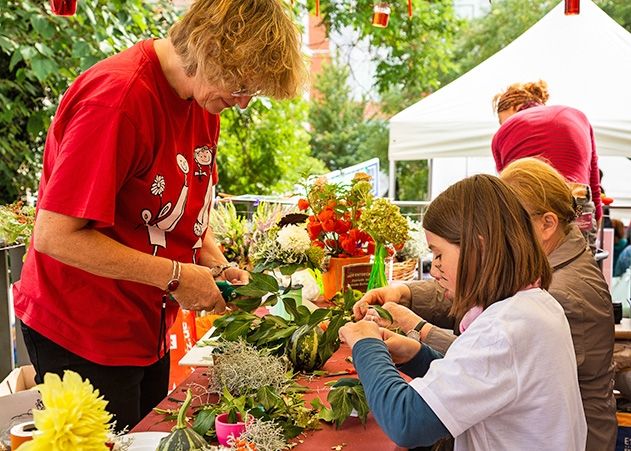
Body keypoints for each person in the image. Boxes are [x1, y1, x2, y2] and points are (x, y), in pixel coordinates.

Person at [13, 0, 306, 430]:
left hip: (142, 325)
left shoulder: (202, 98)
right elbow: (55, 235)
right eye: (242, 87)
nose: (242, 103)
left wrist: (218, 264)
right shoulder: (118, 100)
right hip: (82, 329)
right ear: (211, 50)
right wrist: (175, 276)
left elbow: (178, 209)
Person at [356, 158, 616, 451]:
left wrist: (366, 344)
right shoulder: (536, 302)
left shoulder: (506, 327)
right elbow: (489, 378)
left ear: (478, 249)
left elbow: (406, 421)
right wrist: (417, 354)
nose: (436, 268)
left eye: (439, 255)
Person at [491, 80, 602, 251]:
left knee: (530, 272)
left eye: (501, 119)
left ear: (513, 107)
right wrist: (596, 220)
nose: (502, 125)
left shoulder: (503, 132)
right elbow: (593, 180)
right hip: (577, 201)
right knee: (580, 270)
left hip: (529, 206)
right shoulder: (577, 116)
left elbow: (506, 191)